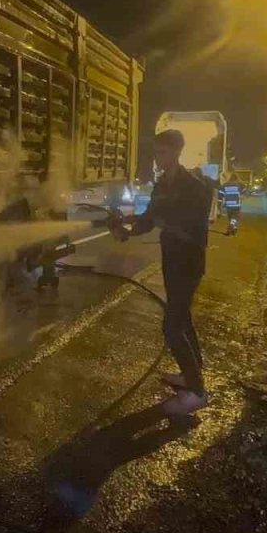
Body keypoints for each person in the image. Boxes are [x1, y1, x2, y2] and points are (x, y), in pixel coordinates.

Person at [112, 129, 212, 415]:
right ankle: (192, 373)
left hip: (189, 263)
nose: (158, 158)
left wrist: (163, 221)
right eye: (156, 152)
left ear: (178, 151)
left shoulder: (194, 186)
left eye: (163, 152)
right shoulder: (161, 185)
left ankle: (197, 391)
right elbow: (148, 220)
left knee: (171, 326)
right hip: (171, 260)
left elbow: (195, 228)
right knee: (183, 318)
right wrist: (127, 228)